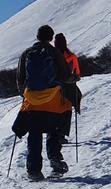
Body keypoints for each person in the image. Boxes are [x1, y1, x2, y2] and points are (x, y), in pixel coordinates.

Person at [14, 25, 73, 181]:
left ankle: (34, 171)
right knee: (53, 132)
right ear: (51, 38)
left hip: (32, 103)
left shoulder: (26, 53)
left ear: (37, 36)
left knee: (34, 134)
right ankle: (55, 162)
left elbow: (20, 78)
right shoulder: (55, 52)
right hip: (53, 101)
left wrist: (26, 95)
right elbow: (65, 76)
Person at [54, 33, 82, 143]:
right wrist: (73, 78)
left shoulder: (51, 56)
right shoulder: (72, 56)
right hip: (69, 87)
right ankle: (62, 135)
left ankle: (54, 134)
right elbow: (77, 73)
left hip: (54, 88)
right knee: (66, 111)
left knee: (55, 111)